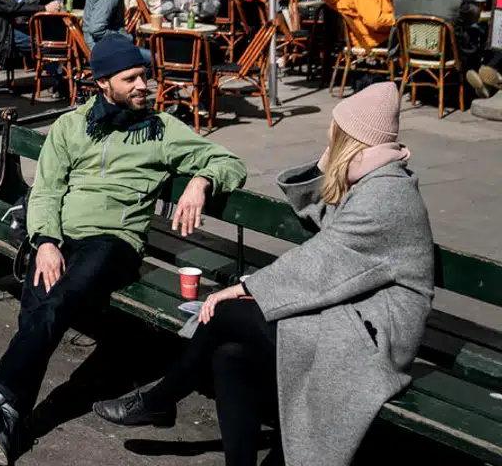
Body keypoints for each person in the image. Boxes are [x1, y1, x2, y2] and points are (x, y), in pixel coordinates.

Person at [0, 35, 248, 466]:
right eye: (131, 79)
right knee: (38, 306)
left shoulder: (162, 129)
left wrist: (201, 181)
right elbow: (46, 190)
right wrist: (45, 242)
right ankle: (7, 424)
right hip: (61, 239)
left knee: (57, 302)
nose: (143, 86)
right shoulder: (71, 126)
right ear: (103, 83)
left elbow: (230, 163)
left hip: (114, 243)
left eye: (144, 76)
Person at [94, 83, 434, 466]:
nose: (329, 139)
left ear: (352, 141)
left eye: (336, 134)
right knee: (230, 355)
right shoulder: (372, 180)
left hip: (376, 336)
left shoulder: (386, 196)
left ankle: (160, 400)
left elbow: (322, 262)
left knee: (226, 314)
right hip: (350, 313)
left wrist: (244, 288)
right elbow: (322, 217)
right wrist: (329, 165)